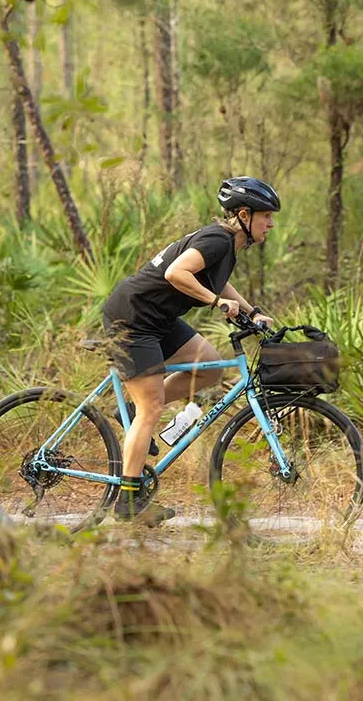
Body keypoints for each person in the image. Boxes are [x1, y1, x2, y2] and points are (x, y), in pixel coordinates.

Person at [101, 177, 280, 525]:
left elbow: (218, 281)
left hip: (159, 318)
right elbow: (176, 272)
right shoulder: (217, 238)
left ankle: (128, 411)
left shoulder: (229, 245)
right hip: (133, 317)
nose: (270, 224)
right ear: (244, 214)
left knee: (211, 366)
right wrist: (216, 302)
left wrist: (250, 311)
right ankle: (127, 501)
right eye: (266, 216)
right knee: (151, 407)